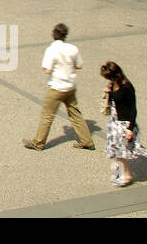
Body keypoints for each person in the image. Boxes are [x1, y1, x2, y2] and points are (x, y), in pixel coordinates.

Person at [24, 23, 95, 151]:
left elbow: (47, 69)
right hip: (70, 87)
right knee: (75, 114)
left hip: (56, 88)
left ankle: (38, 142)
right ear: (65, 35)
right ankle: (87, 141)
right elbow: (79, 65)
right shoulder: (73, 48)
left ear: (54, 35)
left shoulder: (51, 49)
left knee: (47, 115)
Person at [101, 62, 146, 186]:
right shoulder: (113, 83)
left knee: (120, 152)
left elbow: (133, 109)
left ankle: (126, 175)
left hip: (124, 124)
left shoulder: (127, 87)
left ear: (116, 74)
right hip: (115, 121)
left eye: (110, 77)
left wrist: (130, 128)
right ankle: (123, 172)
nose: (108, 80)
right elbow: (115, 100)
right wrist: (108, 93)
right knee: (117, 150)